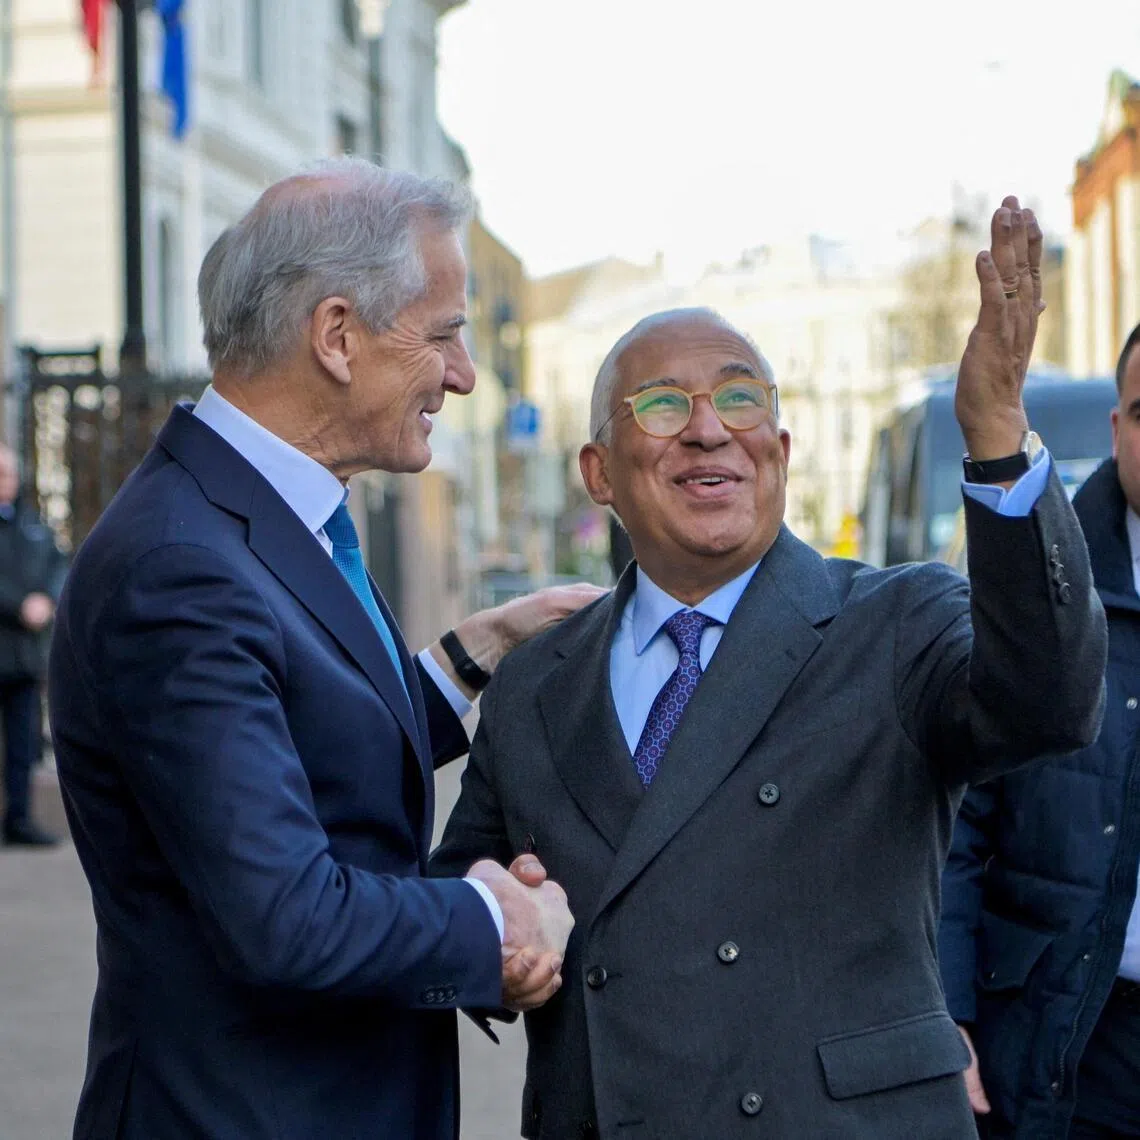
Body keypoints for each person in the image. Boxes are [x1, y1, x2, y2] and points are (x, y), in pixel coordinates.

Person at [430, 198, 1108, 1139]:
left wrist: (994, 436)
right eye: (664, 405)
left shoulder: (896, 623)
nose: (709, 430)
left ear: (780, 452)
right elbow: (465, 879)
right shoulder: (540, 680)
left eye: (741, 399)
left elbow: (1048, 703)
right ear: (599, 471)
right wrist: (498, 936)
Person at [49, 157, 592, 1140]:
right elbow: (285, 916)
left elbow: (309, 733)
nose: (463, 376)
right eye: (442, 337)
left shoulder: (256, 514)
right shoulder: (180, 568)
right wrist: (497, 923)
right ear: (339, 336)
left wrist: (471, 654)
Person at [939, 321, 1140, 1140]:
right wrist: (946, 1012)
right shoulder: (1041, 580)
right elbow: (955, 816)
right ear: (1117, 427)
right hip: (1067, 1033)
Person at [0, 443, 67, 847]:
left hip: (23, 658)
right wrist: (18, 604)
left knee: (23, 747)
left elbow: (59, 565)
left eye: (7, 473)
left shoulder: (33, 524)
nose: (4, 481)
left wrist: (47, 598)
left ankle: (19, 818)